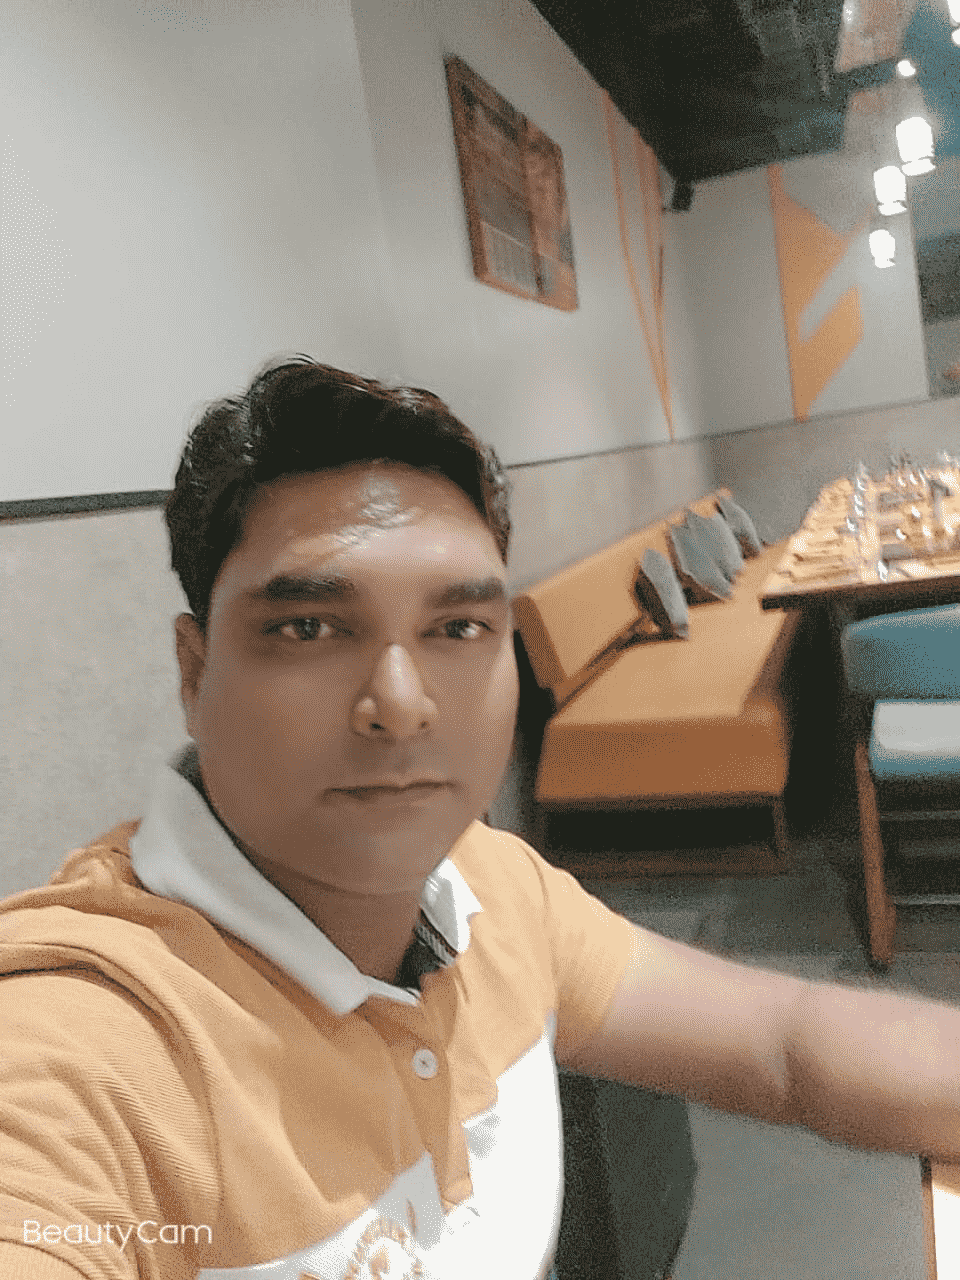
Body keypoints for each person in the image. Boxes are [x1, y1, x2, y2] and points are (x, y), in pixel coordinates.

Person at [1, 355, 959, 1280]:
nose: (400, 703)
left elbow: (785, 1045)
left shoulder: (487, 887)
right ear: (195, 671)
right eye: (308, 628)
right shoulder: (85, 1044)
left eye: (457, 628)